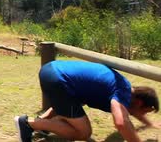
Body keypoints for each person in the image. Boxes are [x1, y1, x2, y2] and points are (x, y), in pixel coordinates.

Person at [14, 60, 159, 142]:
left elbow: (136, 112)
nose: (142, 115)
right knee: (83, 132)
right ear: (140, 103)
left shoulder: (122, 87)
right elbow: (121, 122)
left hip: (52, 69)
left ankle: (41, 124)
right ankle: (28, 123)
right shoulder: (123, 92)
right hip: (59, 79)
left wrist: (150, 124)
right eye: (145, 111)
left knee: (71, 105)